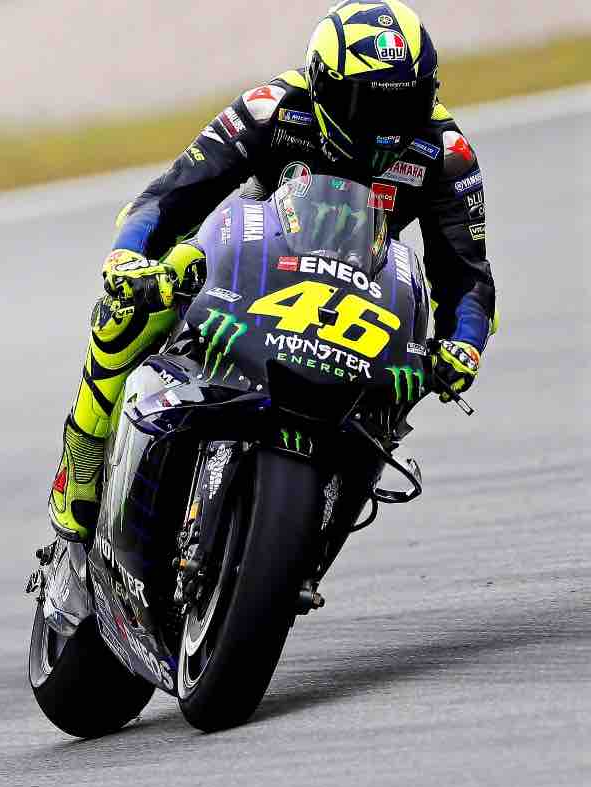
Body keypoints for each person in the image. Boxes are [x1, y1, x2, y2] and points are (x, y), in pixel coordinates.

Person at [48, 0, 496, 542]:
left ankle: (333, 501)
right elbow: (167, 199)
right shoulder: (272, 109)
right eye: (368, 104)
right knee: (140, 297)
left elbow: (468, 275)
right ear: (323, 86)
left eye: (407, 104)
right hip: (257, 262)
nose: (386, 127)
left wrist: (463, 345)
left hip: (363, 289)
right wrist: (129, 257)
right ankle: (83, 452)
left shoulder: (446, 152)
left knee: (409, 375)